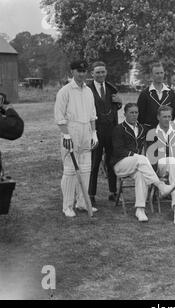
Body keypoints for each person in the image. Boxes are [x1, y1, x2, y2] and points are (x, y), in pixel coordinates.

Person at [111, 103, 175, 222]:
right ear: (124, 114)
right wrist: (136, 156)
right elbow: (118, 150)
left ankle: (140, 209)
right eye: (131, 112)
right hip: (120, 164)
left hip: (138, 166)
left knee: (142, 174)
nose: (134, 115)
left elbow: (158, 135)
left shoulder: (142, 129)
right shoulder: (118, 129)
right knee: (141, 158)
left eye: (136, 112)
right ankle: (160, 186)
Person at [54, 60, 99, 217]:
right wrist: (66, 134)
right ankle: (67, 206)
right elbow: (59, 117)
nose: (81, 74)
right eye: (78, 71)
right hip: (71, 131)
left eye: (84, 71)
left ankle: (82, 202)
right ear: (72, 71)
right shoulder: (64, 91)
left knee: (86, 169)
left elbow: (93, 115)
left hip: (86, 131)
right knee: (70, 170)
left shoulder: (88, 91)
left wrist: (94, 133)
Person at [87, 61, 122, 205]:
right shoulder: (87, 90)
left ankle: (112, 192)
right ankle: (91, 194)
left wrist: (120, 103)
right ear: (92, 74)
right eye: (98, 72)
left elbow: (115, 109)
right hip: (95, 131)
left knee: (111, 162)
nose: (101, 75)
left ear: (106, 72)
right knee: (94, 163)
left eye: (103, 72)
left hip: (111, 131)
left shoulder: (111, 89)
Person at [137, 62, 175, 129]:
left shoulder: (171, 93)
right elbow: (140, 116)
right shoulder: (145, 94)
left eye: (161, 73)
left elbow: (173, 114)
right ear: (152, 75)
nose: (160, 75)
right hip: (149, 131)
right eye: (157, 73)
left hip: (166, 131)